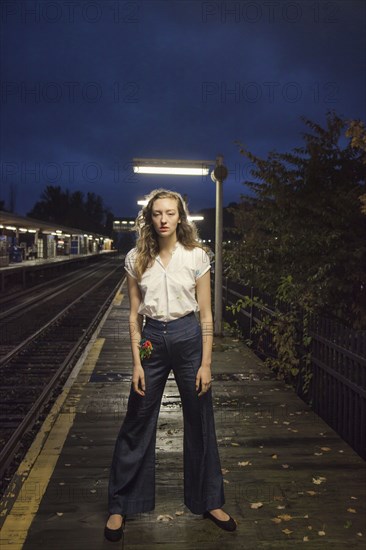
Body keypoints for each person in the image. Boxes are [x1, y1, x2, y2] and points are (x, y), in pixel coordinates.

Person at [104, 188, 237, 543]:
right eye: (158, 213)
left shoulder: (196, 256)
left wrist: (206, 362)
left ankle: (210, 501)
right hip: (151, 341)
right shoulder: (136, 258)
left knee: (200, 419)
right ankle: (120, 504)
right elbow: (133, 315)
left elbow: (206, 313)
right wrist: (136, 363)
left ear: (181, 217)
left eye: (170, 213)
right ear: (150, 217)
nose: (164, 219)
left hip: (189, 337)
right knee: (137, 419)